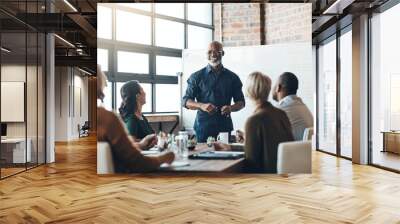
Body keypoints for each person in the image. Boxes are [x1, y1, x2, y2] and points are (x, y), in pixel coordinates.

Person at [97, 65, 174, 173]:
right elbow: (136, 162)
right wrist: (163, 158)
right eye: (102, 74)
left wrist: (143, 144)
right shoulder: (107, 118)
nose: (105, 80)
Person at [216, 72, 294, 173]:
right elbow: (266, 147)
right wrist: (231, 147)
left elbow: (252, 162)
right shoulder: (281, 114)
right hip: (284, 174)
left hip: (265, 179)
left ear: (248, 92)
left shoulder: (253, 121)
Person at [182, 41, 245, 142]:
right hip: (203, 127)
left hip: (224, 127)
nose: (213, 55)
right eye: (209, 52)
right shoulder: (196, 77)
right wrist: (201, 106)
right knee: (202, 156)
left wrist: (231, 108)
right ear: (206, 54)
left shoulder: (233, 77)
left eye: (216, 51)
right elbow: (185, 101)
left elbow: (241, 102)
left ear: (223, 53)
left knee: (225, 156)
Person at [272, 72, 313, 141]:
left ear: (278, 88)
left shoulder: (279, 109)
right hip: (305, 151)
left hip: (291, 151)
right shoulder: (303, 107)